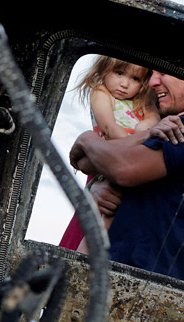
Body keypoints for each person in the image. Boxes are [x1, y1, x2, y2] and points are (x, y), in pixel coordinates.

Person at [68, 70, 184, 281]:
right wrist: (98, 180)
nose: (152, 82)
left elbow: (121, 168)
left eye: (164, 72)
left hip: (131, 283)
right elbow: (93, 162)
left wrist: (86, 139)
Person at [56, 56, 156, 252]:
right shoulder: (102, 92)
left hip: (130, 164)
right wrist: (134, 147)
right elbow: (109, 127)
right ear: (104, 70)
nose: (125, 84)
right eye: (119, 73)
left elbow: (153, 119)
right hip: (109, 161)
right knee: (95, 220)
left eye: (135, 79)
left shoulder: (143, 101)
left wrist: (147, 125)